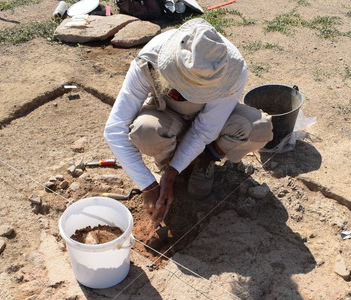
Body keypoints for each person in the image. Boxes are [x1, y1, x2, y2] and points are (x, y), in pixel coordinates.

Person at [104, 18, 273, 227]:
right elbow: (115, 130)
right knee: (145, 131)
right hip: (168, 114)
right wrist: (148, 185)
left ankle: (203, 160)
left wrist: (170, 177)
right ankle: (169, 162)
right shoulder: (150, 58)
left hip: (212, 119)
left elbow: (205, 129)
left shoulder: (230, 70)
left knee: (259, 128)